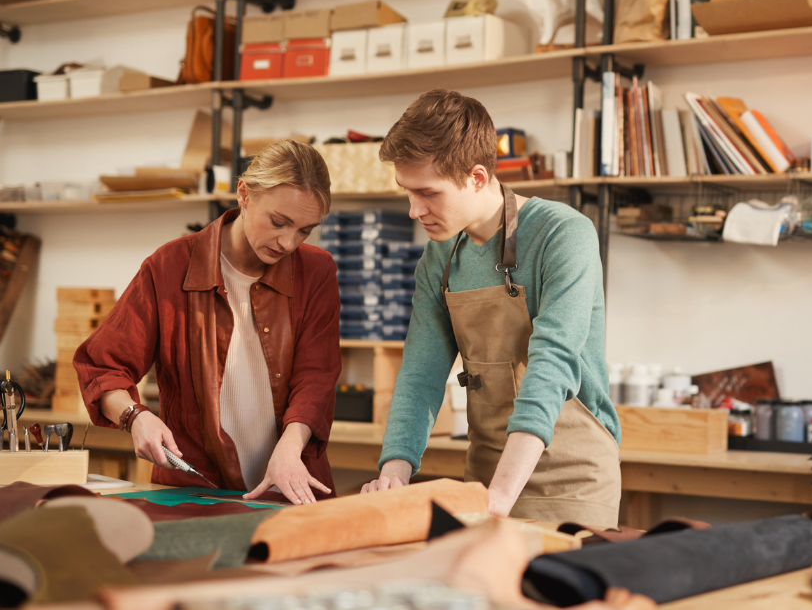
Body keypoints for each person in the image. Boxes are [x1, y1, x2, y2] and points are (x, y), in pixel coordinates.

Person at [361, 89, 622, 527]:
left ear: (477, 177)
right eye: (407, 192)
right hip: (484, 476)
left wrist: (501, 496)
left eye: (427, 193)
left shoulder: (564, 235)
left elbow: (552, 364)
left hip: (571, 480)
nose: (413, 210)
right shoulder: (439, 259)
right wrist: (394, 472)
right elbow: (420, 374)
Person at [75, 139, 341, 505]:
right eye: (279, 222)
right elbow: (101, 366)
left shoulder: (317, 271)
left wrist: (290, 448)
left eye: (304, 230)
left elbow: (317, 376)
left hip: (289, 487)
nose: (288, 243)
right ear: (244, 194)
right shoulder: (169, 267)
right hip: (192, 491)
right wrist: (135, 417)